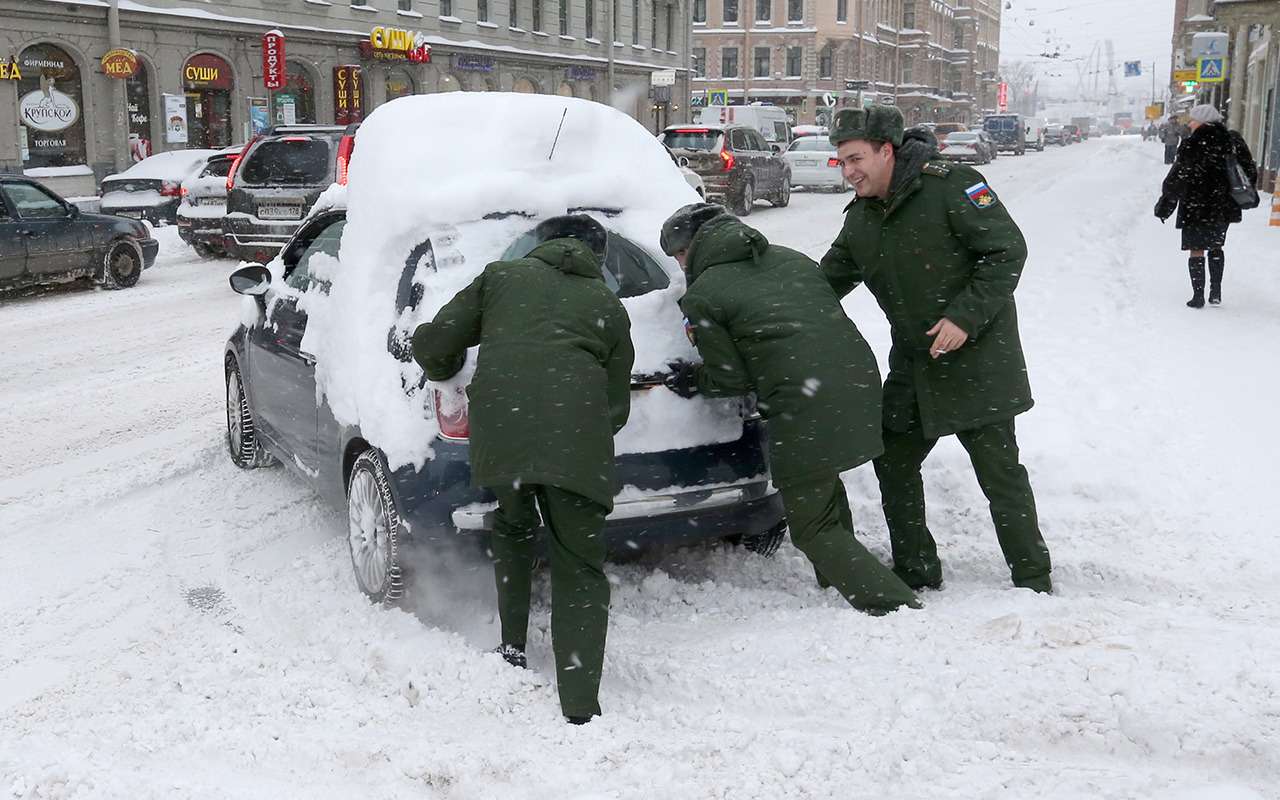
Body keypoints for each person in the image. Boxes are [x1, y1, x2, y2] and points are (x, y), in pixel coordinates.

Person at [411, 215, 635, 724]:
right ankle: (579, 704)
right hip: (576, 442)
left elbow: (436, 345)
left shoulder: (499, 278)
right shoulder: (608, 306)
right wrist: (576, 434)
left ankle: (512, 645)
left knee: (513, 527)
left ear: (541, 244)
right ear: (597, 259)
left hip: (503, 438)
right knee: (578, 563)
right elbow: (616, 406)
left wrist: (439, 362)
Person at [819, 105, 1053, 594]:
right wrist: (765, 295)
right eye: (841, 162)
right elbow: (827, 280)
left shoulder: (951, 186)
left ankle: (1032, 577)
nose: (848, 171)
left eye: (856, 159)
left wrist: (964, 318)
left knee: (1000, 474)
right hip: (914, 367)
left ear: (886, 151)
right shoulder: (862, 218)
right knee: (894, 461)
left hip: (977, 362)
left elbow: (1007, 250)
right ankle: (917, 569)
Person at [660, 203, 921, 615]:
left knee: (811, 525)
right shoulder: (790, 259)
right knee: (821, 484)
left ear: (693, 248)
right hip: (859, 382)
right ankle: (836, 578)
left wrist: (696, 379)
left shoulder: (705, 294)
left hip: (804, 402)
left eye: (678, 255)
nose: (679, 265)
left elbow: (731, 378)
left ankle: (892, 605)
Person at [1155, 103, 1257, 308]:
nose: (1190, 124)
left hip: (1196, 204)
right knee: (1216, 245)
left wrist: (1167, 201)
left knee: (1196, 249)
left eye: (1192, 120)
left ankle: (1198, 295)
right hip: (1222, 204)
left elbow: (1178, 176)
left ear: (1202, 121)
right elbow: (1249, 169)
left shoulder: (1192, 144)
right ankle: (1216, 292)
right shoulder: (1232, 139)